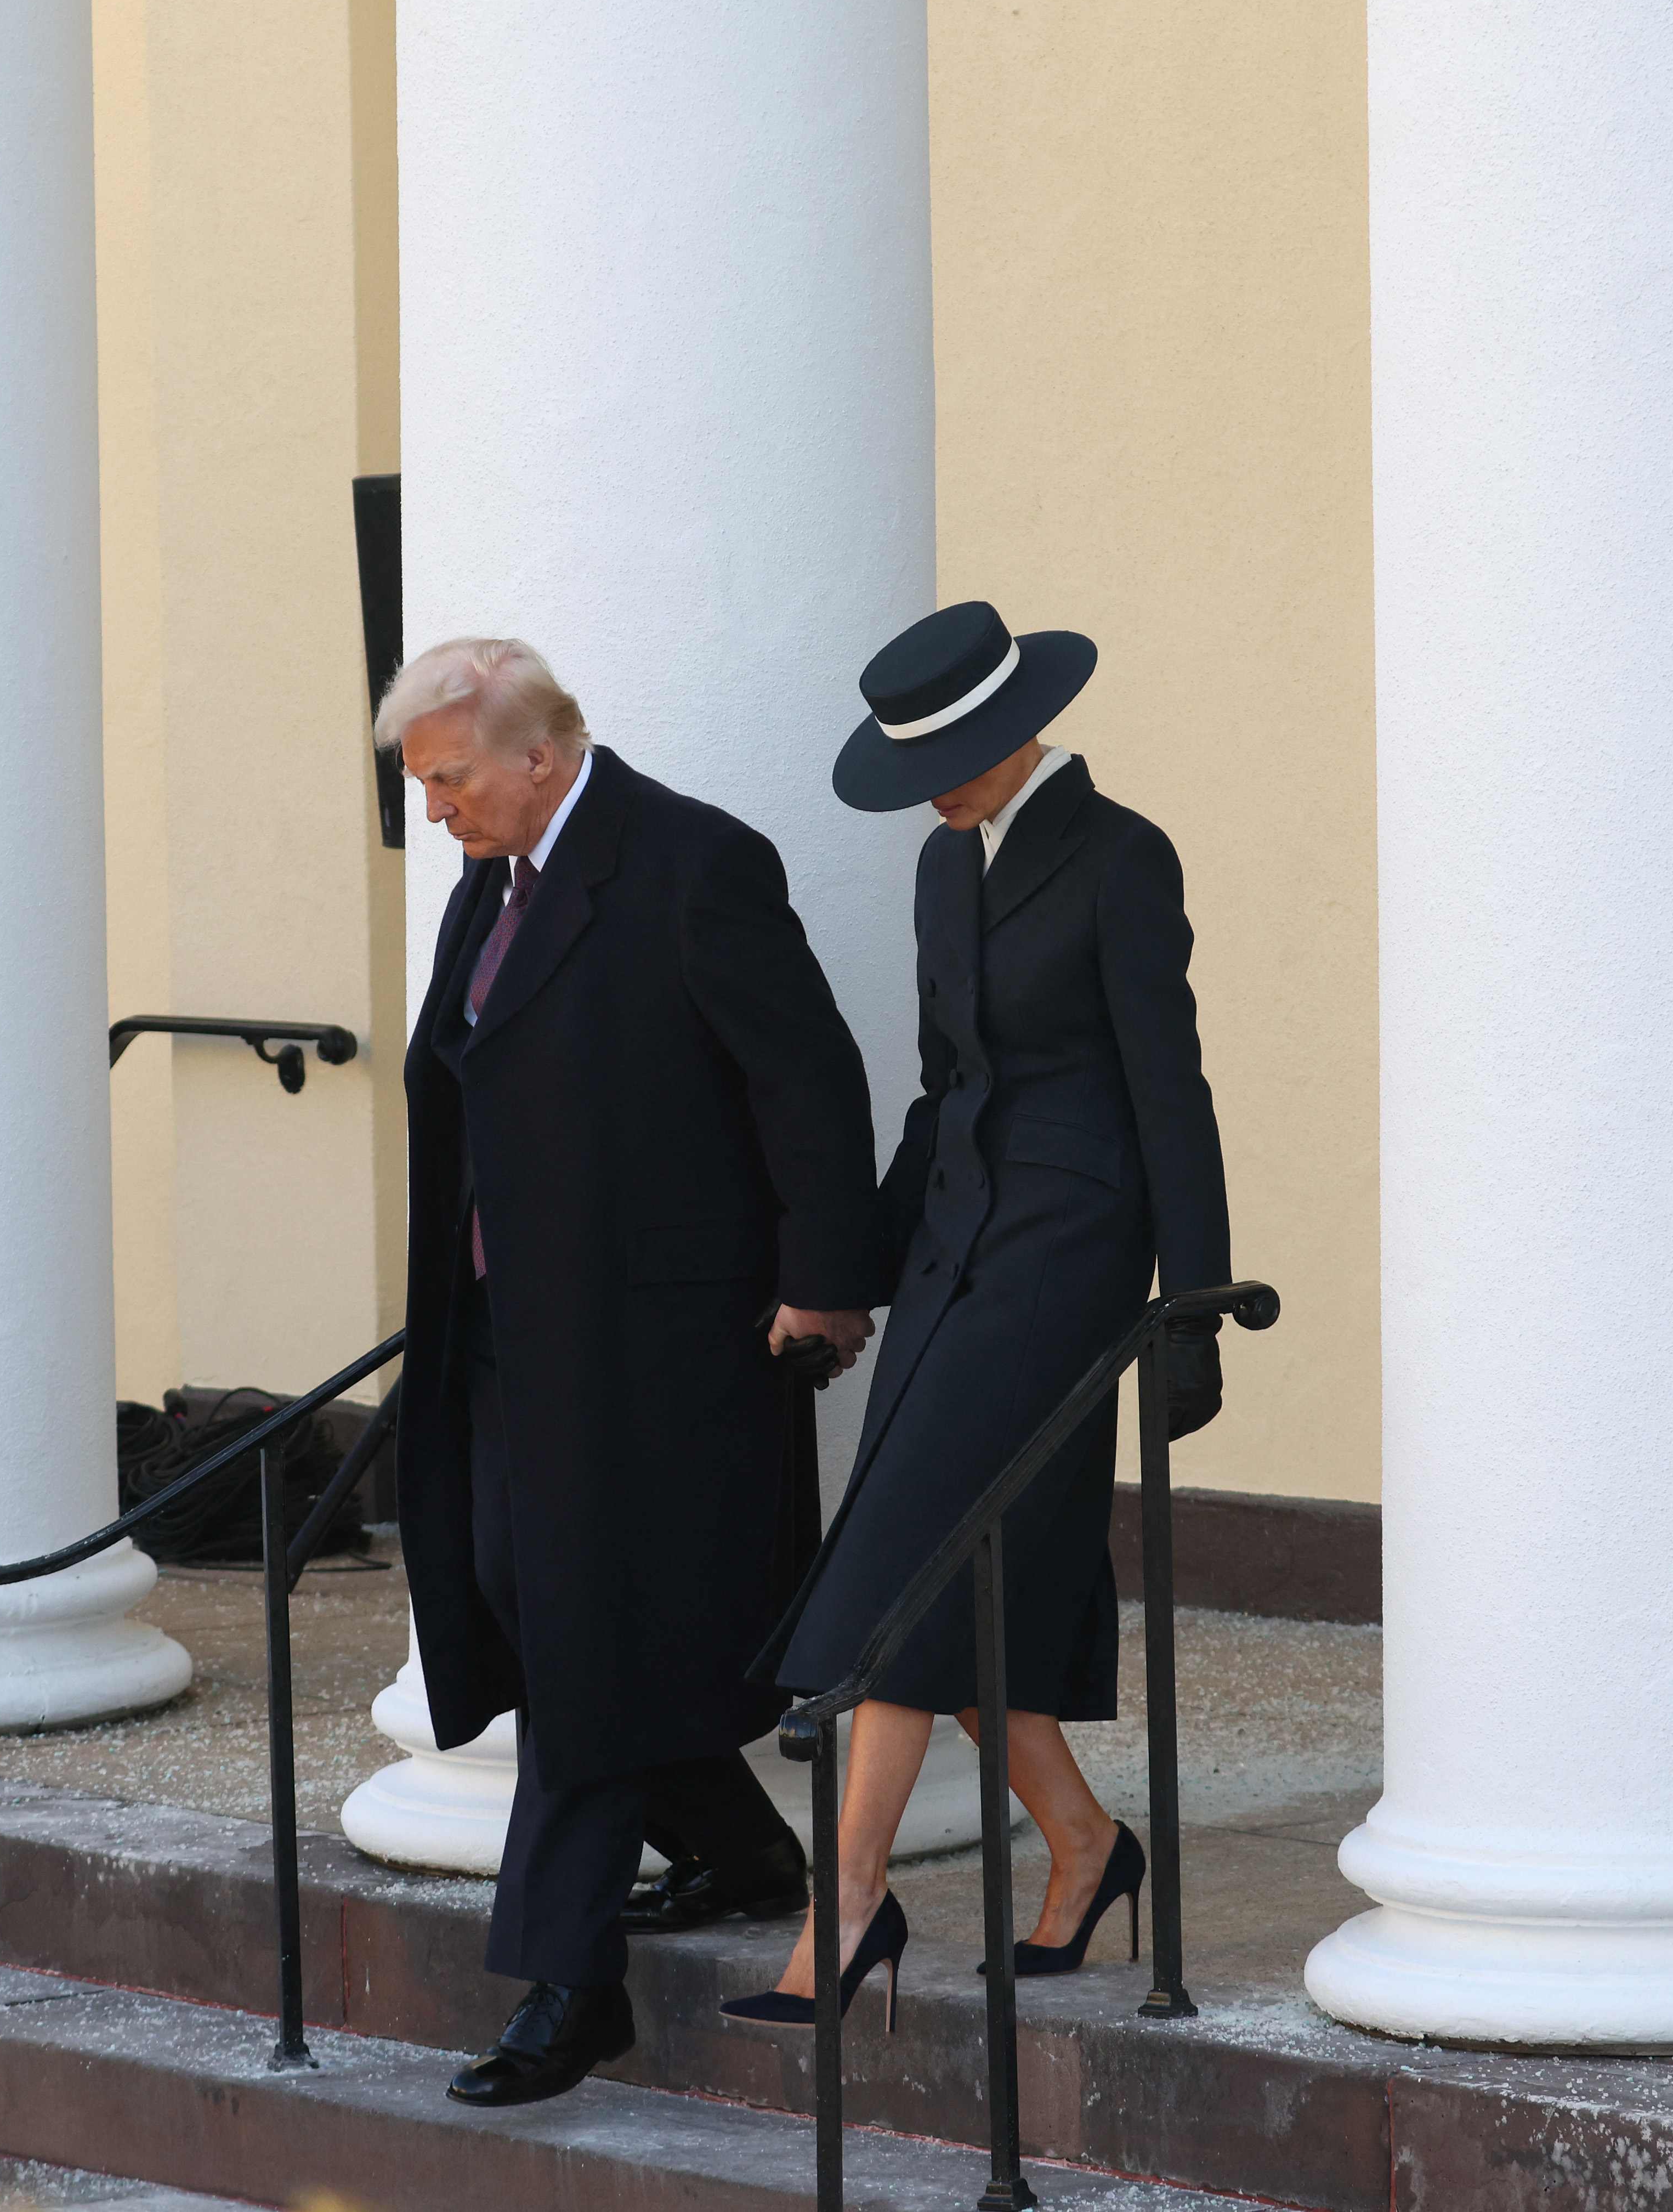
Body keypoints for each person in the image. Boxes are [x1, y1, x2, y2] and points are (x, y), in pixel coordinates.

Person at [378, 637, 885, 2106]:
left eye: (450, 780)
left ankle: (566, 1982)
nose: (436, 814)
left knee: (590, 1636)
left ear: (539, 755)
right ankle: (738, 1848)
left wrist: (822, 1280)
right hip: (501, 1332)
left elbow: (805, 1074)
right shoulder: (493, 879)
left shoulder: (691, 863)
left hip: (652, 1343)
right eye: (420, 786)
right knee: (503, 1591)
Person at [728, 598, 1229, 2027]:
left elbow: (1169, 1090)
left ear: (1016, 725)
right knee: (959, 1584)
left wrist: (1187, 1300)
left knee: (902, 1568)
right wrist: (849, 1270)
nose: (932, 786)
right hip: (955, 1255)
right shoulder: (945, 866)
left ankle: (847, 1909)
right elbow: (943, 1090)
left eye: (946, 753)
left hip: (1065, 1263)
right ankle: (1082, 1843)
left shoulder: (1123, 857)